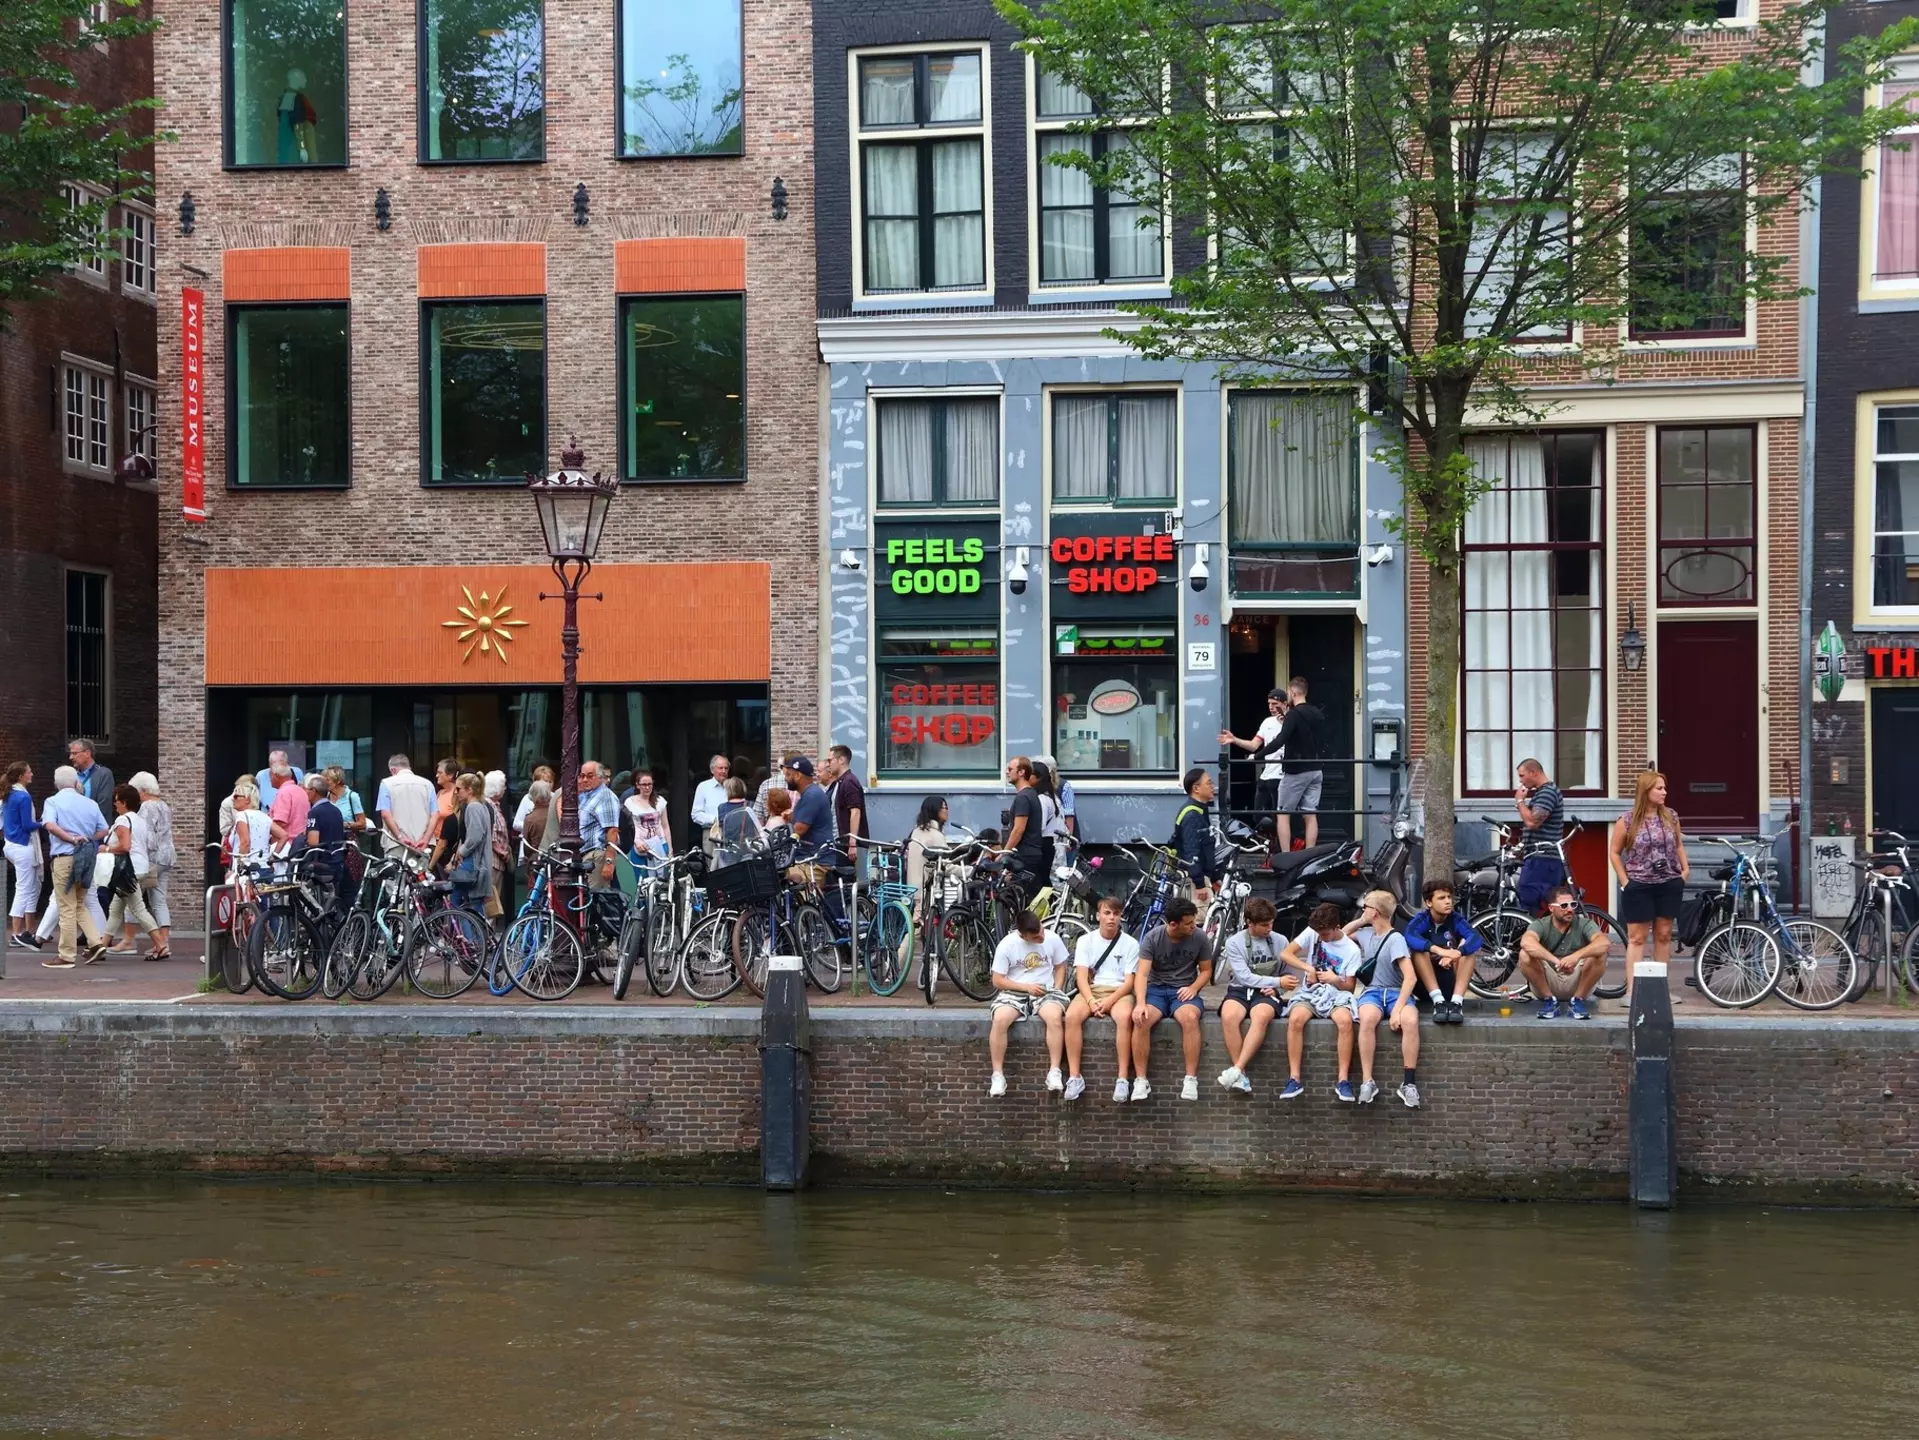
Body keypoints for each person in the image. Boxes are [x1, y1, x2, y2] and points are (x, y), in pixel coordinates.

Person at [1611, 770, 1690, 1000]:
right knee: (1637, 938)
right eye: (1659, 788)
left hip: (1668, 882)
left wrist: (1684, 871)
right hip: (1639, 884)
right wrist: (1625, 881)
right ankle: (1632, 991)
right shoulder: (1626, 820)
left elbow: (1678, 845)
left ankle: (1660, 990)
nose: (1664, 792)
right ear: (1646, 791)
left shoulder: (1671, 816)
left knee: (1664, 935)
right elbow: (1614, 853)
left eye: (1664, 788)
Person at [1279, 902, 1366, 1102]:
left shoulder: (1351, 950)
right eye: (1319, 933)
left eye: (1325, 934)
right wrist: (1308, 969)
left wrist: (1335, 979)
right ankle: (1294, 1078)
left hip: (1337, 993)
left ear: (1337, 928)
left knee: (1345, 1022)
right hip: (1312, 991)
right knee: (1295, 1019)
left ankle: (1343, 1080)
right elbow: (1286, 953)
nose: (1321, 937)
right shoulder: (1313, 932)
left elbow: (1350, 987)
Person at [1129, 897, 1213, 1102]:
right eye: (1189, 923)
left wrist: (1194, 988)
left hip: (1183, 990)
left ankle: (1191, 1079)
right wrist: (1140, 1003)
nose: (1194, 926)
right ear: (1173, 924)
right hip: (1156, 990)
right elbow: (1142, 974)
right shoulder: (1153, 938)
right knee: (1142, 1019)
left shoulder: (1200, 937)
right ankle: (1140, 1080)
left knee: (1190, 1018)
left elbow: (1206, 970)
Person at [986, 909, 1071, 1097]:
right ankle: (998, 1075)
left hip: (1045, 990)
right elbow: (998, 980)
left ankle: (1054, 1071)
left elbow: (1060, 966)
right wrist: (1026, 988)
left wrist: (1057, 987)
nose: (1042, 936)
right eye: (1036, 937)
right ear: (1023, 935)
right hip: (1015, 990)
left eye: (1041, 931)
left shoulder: (1052, 938)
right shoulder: (1007, 945)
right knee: (1000, 1019)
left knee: (1055, 1017)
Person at [1064, 894, 1140, 1103]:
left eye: (1116, 914)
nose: (1111, 918)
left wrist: (1108, 1002)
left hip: (1118, 992)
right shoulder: (1085, 940)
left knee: (1125, 1018)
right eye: (1107, 913)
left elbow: (1129, 982)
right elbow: (1081, 977)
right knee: (1071, 1017)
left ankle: (1123, 1079)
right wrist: (1090, 1001)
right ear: (1098, 916)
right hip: (1092, 990)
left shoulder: (1131, 943)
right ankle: (1074, 1076)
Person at [1350, 889, 1420, 1108]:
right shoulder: (1365, 934)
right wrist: (1361, 921)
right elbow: (1340, 935)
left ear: (1375, 913)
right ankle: (1367, 1081)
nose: (1362, 911)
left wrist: (1398, 1010)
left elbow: (1410, 978)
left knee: (1410, 1020)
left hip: (1394, 992)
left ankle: (1409, 1084)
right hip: (1372, 991)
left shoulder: (1396, 939)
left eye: (1365, 908)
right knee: (1367, 1018)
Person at [1215, 897, 1289, 1095]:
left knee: (1261, 1016)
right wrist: (1277, 982)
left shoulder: (1280, 940)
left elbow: (1289, 974)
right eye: (1264, 925)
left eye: (1271, 923)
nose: (1269, 929)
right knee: (1229, 1016)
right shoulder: (1234, 942)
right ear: (1250, 923)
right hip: (1240, 989)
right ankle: (1242, 1076)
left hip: (1267, 991)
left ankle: (1237, 1069)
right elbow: (1244, 977)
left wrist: (1278, 989)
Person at [39, 766, 108, 968]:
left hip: (65, 856)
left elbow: (50, 825)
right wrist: (87, 839)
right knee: (79, 903)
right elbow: (104, 829)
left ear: (56, 784)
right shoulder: (90, 803)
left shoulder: (52, 801)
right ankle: (96, 943)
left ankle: (67, 955)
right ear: (76, 783)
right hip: (87, 857)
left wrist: (71, 839)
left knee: (66, 906)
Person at [1520, 883, 1612, 1020]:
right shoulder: (1541, 924)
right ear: (1551, 908)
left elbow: (1604, 943)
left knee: (1600, 954)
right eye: (1564, 906)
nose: (1570, 910)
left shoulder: (1584, 923)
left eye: (1573, 905)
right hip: (1548, 981)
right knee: (1524, 955)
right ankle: (1549, 1000)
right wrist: (1556, 961)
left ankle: (1578, 1001)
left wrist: (1575, 957)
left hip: (1578, 981)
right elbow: (1526, 942)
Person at [1405, 878, 1484, 1025]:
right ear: (1429, 903)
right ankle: (1438, 1003)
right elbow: (1410, 936)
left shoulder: (1455, 919)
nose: (1448, 901)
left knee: (1469, 953)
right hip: (1425, 988)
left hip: (1451, 984)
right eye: (1441, 898)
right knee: (1418, 952)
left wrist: (1457, 953)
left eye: (1449, 897)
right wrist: (1440, 952)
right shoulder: (1422, 919)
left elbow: (1476, 938)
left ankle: (1457, 1004)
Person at [101, 785, 163, 959]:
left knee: (138, 909)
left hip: (128, 870)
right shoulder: (139, 820)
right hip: (141, 867)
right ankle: (101, 946)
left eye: (117, 801)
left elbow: (125, 847)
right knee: (116, 908)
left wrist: (105, 849)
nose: (115, 805)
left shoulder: (122, 820)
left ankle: (161, 945)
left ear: (124, 802)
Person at [1218, 689, 1288, 829]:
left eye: (1275, 704)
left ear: (1285, 703)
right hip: (1266, 775)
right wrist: (1234, 740)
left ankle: (1281, 847)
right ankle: (1267, 843)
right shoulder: (1267, 722)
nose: (1271, 707)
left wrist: (1286, 721)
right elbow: (1253, 745)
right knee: (1257, 816)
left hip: (1282, 776)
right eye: (1269, 704)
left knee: (1280, 817)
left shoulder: (1292, 721)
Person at [124, 772, 175, 955]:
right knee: (159, 900)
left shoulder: (146, 807)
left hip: (152, 858)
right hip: (167, 857)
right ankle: (164, 942)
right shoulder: (164, 805)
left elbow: (148, 838)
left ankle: (129, 940)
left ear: (142, 790)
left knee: (132, 896)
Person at [1273, 677, 1324, 852]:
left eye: (1288, 692)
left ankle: (1286, 856)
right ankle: (1310, 855)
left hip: (1296, 770)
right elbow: (1305, 735)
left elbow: (1281, 739)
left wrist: (1258, 755)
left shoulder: (1294, 714)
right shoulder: (1317, 713)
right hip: (1316, 769)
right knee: (1310, 814)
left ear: (1293, 693)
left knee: (1283, 813)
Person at [1513, 758, 1567, 911]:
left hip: (1543, 859)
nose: (1520, 780)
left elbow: (1532, 822)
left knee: (1528, 900)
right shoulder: (1543, 792)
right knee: (1545, 905)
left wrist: (1519, 801)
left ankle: (1531, 934)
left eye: (1522, 775)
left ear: (1533, 772)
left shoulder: (1547, 793)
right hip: (1542, 858)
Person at [5, 761, 45, 949]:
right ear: (21, 776)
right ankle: (16, 933)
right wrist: (43, 822)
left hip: (10, 844)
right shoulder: (23, 797)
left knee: (24, 888)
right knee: (23, 889)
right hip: (23, 846)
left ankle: (22, 931)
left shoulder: (8, 793)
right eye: (29, 771)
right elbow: (27, 825)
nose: (32, 774)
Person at [1172, 767, 1223, 905]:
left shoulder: (1199, 810)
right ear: (1196, 788)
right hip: (1195, 882)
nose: (1213, 786)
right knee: (1199, 922)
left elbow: (1204, 850)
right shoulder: (1193, 815)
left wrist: (1213, 878)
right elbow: (1191, 851)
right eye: (1209, 783)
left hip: (1201, 877)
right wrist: (1200, 883)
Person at [783, 757, 836, 887]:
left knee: (801, 897)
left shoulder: (811, 796)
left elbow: (799, 829)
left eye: (788, 775)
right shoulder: (809, 794)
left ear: (798, 775)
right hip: (807, 858)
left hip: (814, 860)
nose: (785, 778)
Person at [376, 754, 437, 864]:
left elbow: (385, 814)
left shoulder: (386, 783)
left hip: (395, 843)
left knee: (395, 878)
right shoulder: (428, 784)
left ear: (393, 769)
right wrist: (426, 839)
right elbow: (435, 814)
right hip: (422, 845)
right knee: (420, 878)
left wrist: (400, 837)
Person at [447, 773, 494, 912]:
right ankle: (478, 932)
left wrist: (461, 852)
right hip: (481, 862)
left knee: (456, 899)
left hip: (473, 861)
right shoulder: (482, 806)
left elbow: (475, 836)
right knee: (475, 903)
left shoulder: (473, 807)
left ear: (469, 790)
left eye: (459, 789)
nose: (456, 792)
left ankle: (467, 933)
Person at [1000, 756, 1047, 893]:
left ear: (1021, 772)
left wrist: (1005, 852)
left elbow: (1018, 829)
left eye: (1010, 769)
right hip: (1033, 853)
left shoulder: (1023, 797)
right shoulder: (1031, 794)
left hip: (1024, 855)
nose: (1007, 772)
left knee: (1018, 896)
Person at [302, 772, 346, 910]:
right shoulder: (336, 811)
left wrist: (305, 838)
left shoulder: (314, 813)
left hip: (322, 863)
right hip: (337, 862)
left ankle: (317, 912)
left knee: (300, 886)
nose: (306, 793)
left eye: (307, 790)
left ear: (314, 791)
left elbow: (313, 842)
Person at [577, 761, 623, 891]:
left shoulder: (606, 797)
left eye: (590, 776)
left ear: (601, 777)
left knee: (595, 899)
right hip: (583, 856)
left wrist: (609, 863)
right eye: (582, 775)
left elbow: (612, 831)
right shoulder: (586, 796)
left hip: (596, 856)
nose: (585, 779)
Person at [823, 745, 868, 868]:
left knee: (843, 879)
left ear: (841, 760)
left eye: (830, 760)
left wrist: (852, 843)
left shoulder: (849, 781)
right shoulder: (840, 782)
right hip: (837, 842)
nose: (828, 764)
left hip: (843, 843)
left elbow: (855, 811)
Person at [626, 770, 672, 872]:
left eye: (650, 784)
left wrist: (670, 850)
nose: (647, 788)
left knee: (660, 881)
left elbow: (665, 826)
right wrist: (636, 841)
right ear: (637, 785)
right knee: (642, 881)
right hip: (640, 846)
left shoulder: (660, 801)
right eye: (644, 785)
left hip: (660, 844)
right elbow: (628, 827)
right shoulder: (630, 802)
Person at [904, 796, 948, 892]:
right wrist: (968, 870)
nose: (947, 811)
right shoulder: (935, 835)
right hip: (927, 892)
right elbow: (946, 865)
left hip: (912, 889)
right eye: (945, 807)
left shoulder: (916, 831)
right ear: (935, 810)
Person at [267, 761, 311, 853]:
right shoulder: (301, 790)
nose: (269, 779)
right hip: (300, 844)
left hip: (285, 847)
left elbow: (280, 822)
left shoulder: (284, 792)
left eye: (270, 776)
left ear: (276, 776)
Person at [715, 777, 761, 861]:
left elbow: (721, 831)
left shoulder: (722, 808)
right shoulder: (751, 805)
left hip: (729, 851)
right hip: (749, 849)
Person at [226, 784, 273, 866]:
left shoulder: (241, 815)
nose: (232, 799)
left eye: (236, 796)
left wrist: (240, 864)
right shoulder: (264, 816)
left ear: (247, 799)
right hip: (264, 866)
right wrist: (273, 856)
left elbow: (245, 842)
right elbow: (283, 835)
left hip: (248, 869)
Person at [1035, 754, 1077, 839]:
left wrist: (1068, 838)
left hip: (1061, 837)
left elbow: (1069, 814)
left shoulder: (1064, 786)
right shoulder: (1038, 787)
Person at [69, 738, 115, 810]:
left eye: (74, 753)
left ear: (87, 753)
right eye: (71, 753)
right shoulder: (71, 775)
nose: (70, 757)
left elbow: (104, 807)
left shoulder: (103, 774)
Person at [753, 753, 799, 826]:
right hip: (793, 830)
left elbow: (758, 816)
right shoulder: (798, 784)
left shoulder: (765, 784)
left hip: (770, 830)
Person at [513, 764, 556, 837]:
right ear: (535, 783)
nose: (548, 785)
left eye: (550, 781)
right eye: (545, 781)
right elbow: (516, 824)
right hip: (530, 840)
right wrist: (533, 825)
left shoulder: (555, 797)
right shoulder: (527, 798)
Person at [690, 754, 730, 831]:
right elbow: (696, 814)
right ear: (712, 770)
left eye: (726, 768)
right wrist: (714, 820)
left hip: (730, 832)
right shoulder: (703, 787)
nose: (724, 771)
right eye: (720, 768)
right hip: (711, 831)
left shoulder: (732, 787)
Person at [324, 766, 366, 831]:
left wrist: (346, 825)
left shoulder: (352, 796)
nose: (324, 783)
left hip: (346, 838)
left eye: (327, 780)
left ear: (337, 781)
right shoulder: (325, 798)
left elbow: (362, 823)